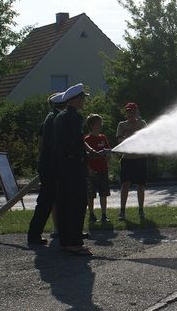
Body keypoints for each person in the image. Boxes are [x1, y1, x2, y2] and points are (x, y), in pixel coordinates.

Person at [53, 83, 96, 255]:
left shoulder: (60, 117)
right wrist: (83, 157)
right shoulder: (74, 118)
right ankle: (75, 243)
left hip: (62, 168)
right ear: (76, 99)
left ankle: (65, 241)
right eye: (83, 98)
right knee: (77, 204)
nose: (84, 101)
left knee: (64, 204)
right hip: (73, 168)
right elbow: (73, 143)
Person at [27, 91, 66, 246]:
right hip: (51, 169)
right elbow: (46, 146)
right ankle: (34, 235)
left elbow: (41, 147)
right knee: (45, 202)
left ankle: (58, 231)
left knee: (51, 201)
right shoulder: (54, 119)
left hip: (48, 168)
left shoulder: (49, 118)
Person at [116, 102, 148, 221]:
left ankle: (141, 211)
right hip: (127, 159)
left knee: (140, 185)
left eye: (132, 111)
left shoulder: (142, 123)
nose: (130, 114)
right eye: (128, 111)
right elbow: (119, 141)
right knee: (125, 185)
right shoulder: (122, 125)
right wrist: (128, 138)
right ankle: (122, 212)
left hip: (140, 158)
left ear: (136, 112)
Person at [84, 114, 111, 223]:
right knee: (91, 195)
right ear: (91, 125)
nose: (100, 125)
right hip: (92, 172)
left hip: (103, 170)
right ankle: (91, 215)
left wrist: (108, 159)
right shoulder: (87, 139)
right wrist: (89, 169)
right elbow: (84, 157)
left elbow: (108, 151)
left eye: (101, 123)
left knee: (104, 194)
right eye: (98, 123)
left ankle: (104, 215)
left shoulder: (103, 137)